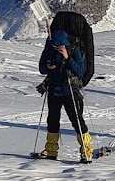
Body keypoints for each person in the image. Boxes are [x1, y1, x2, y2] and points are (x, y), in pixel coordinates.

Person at [38, 28, 94, 162]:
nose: (57, 48)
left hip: (70, 90)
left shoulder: (74, 51)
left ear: (65, 44)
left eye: (59, 46)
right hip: (54, 90)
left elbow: (80, 71)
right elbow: (41, 68)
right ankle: (51, 150)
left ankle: (86, 151)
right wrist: (48, 67)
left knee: (77, 122)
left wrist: (67, 58)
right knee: (52, 121)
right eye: (55, 46)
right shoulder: (50, 50)